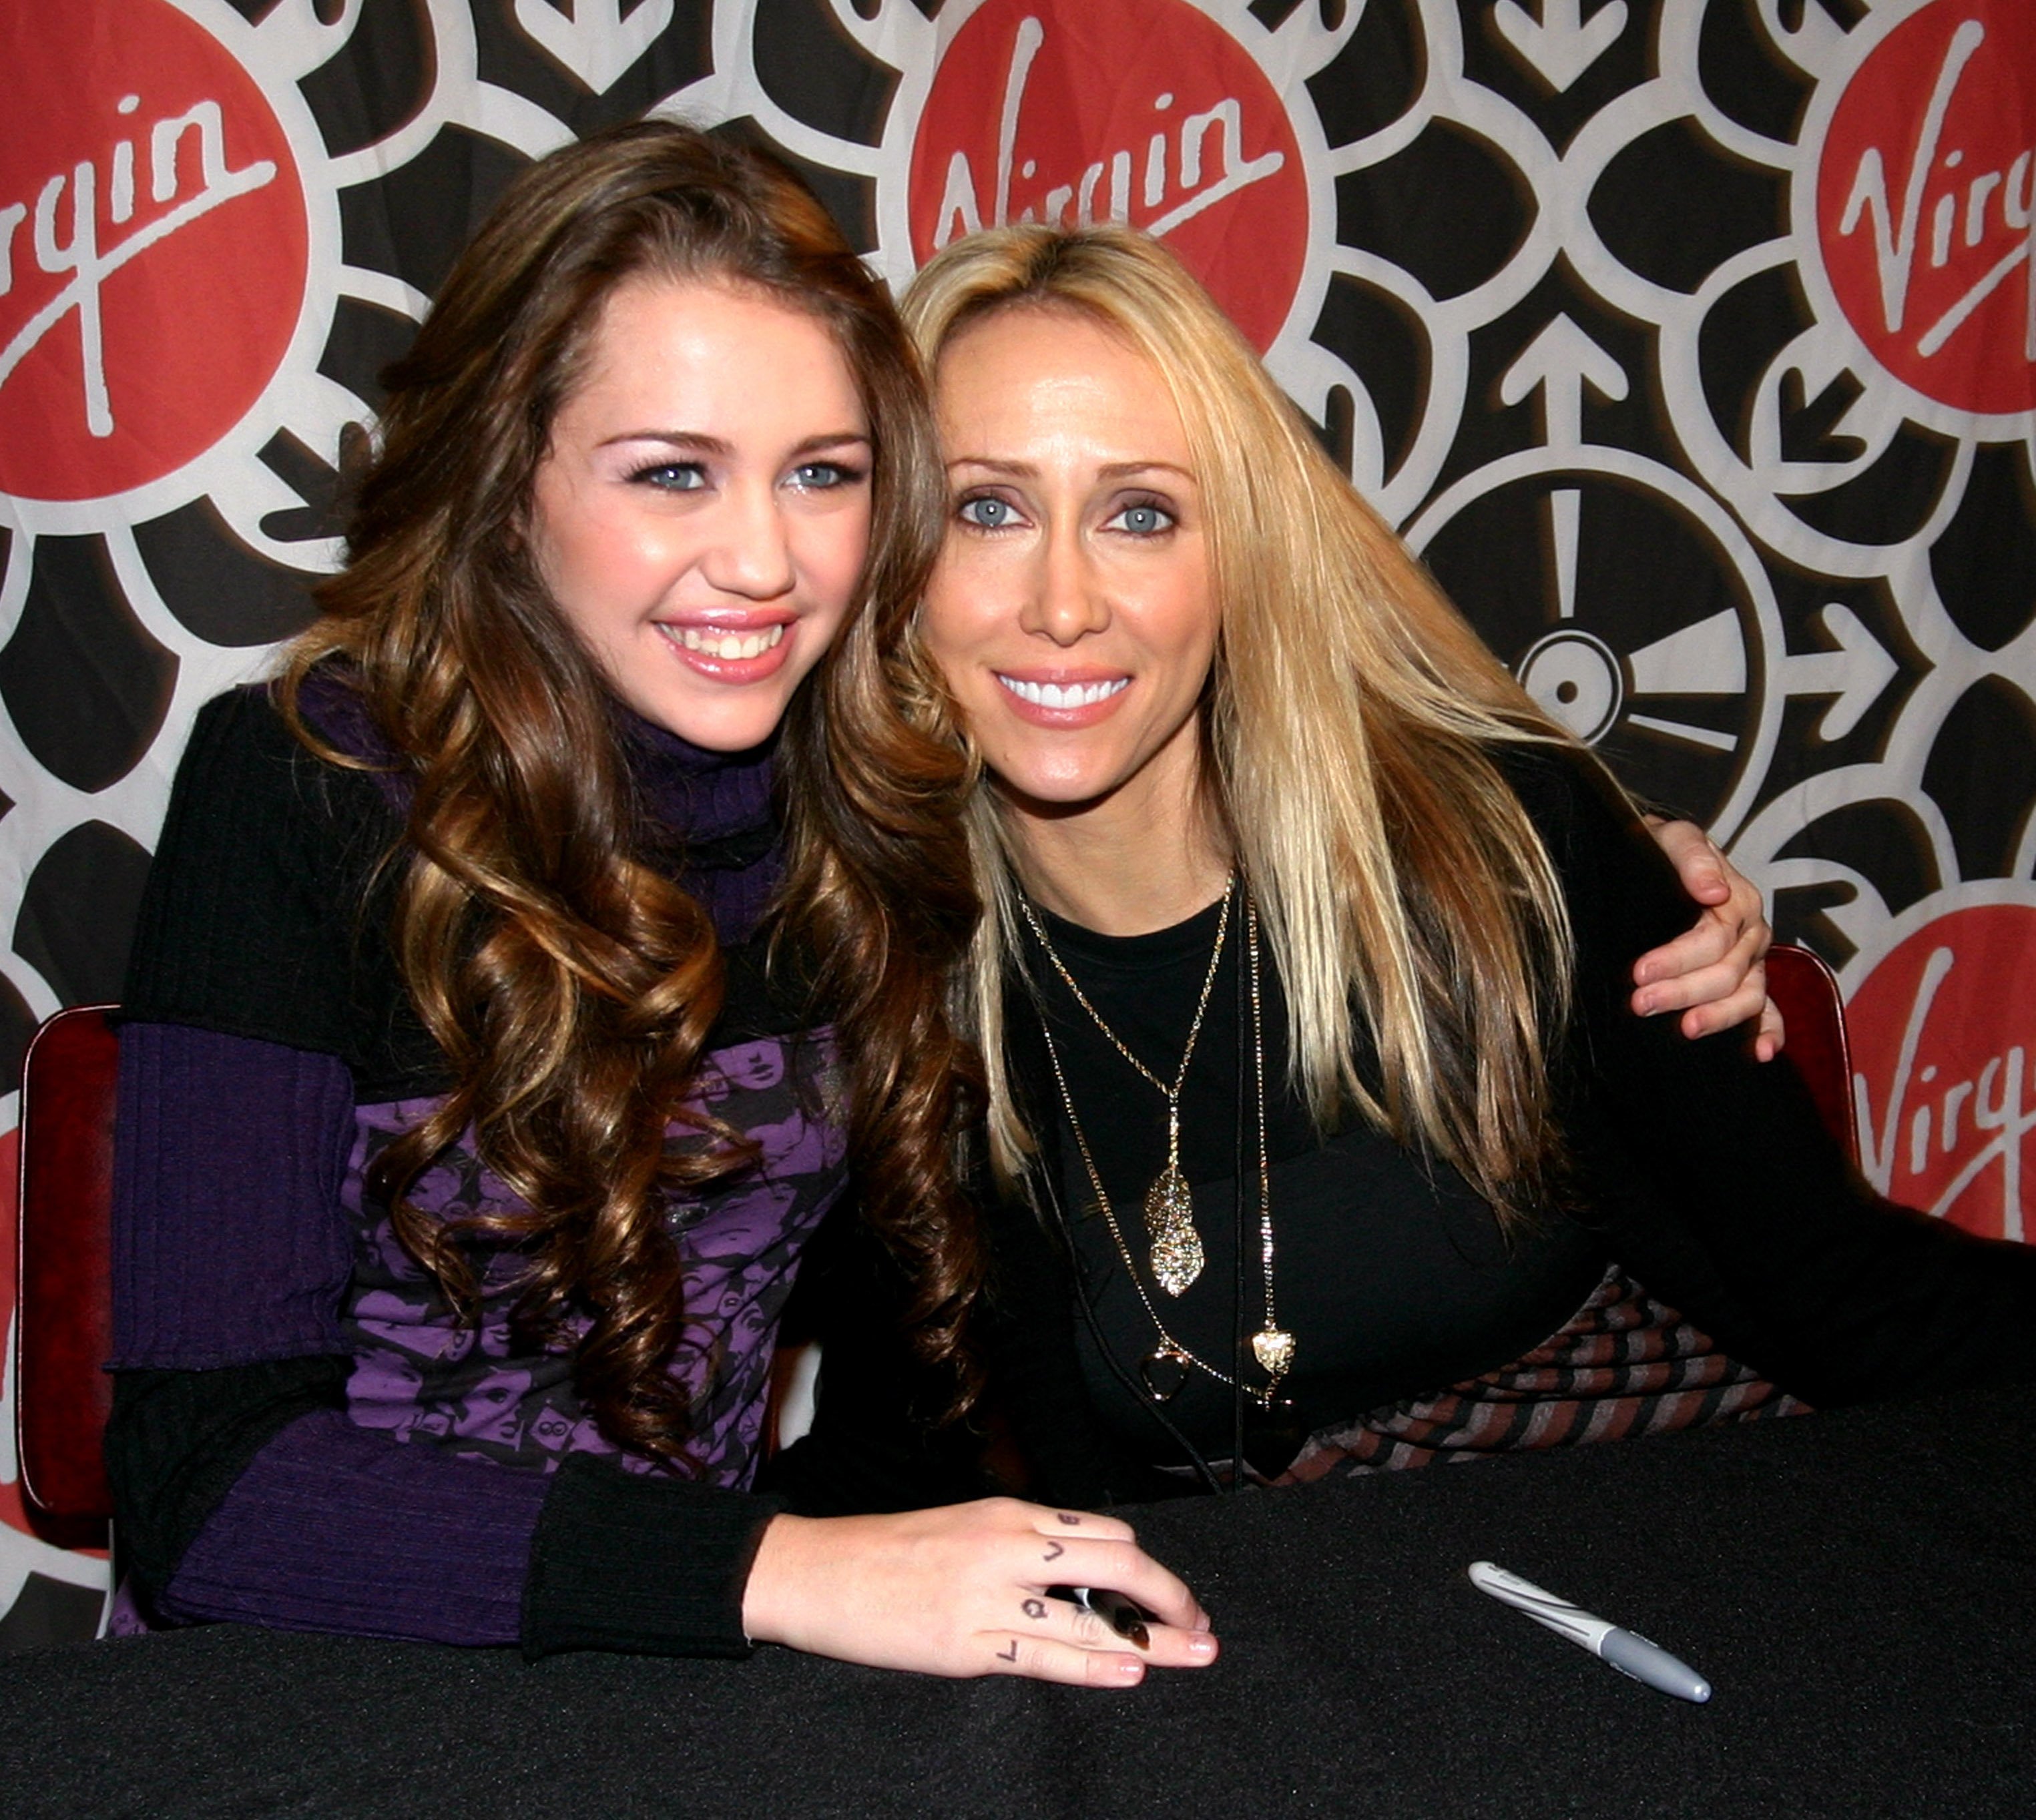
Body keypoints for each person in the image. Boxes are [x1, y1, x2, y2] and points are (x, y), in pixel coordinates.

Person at [105, 125, 1766, 1683]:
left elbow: (938, 1357)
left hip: (685, 1690)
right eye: (672, 475)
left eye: (822, 474)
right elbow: (204, 1489)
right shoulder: (303, 785)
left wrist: (1618, 879)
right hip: (319, 1678)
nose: (764, 562)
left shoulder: (863, 815)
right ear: (505, 477)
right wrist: (800, 1574)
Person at [774, 223, 2036, 1515]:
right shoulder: (879, 988)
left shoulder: (1492, 847)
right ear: (891, 553)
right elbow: (893, 1450)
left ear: (1238, 555)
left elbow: (1853, 1296)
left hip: (1710, 1523)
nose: (1060, 599)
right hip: (1312, 1654)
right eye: (987, 507)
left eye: (1140, 513)